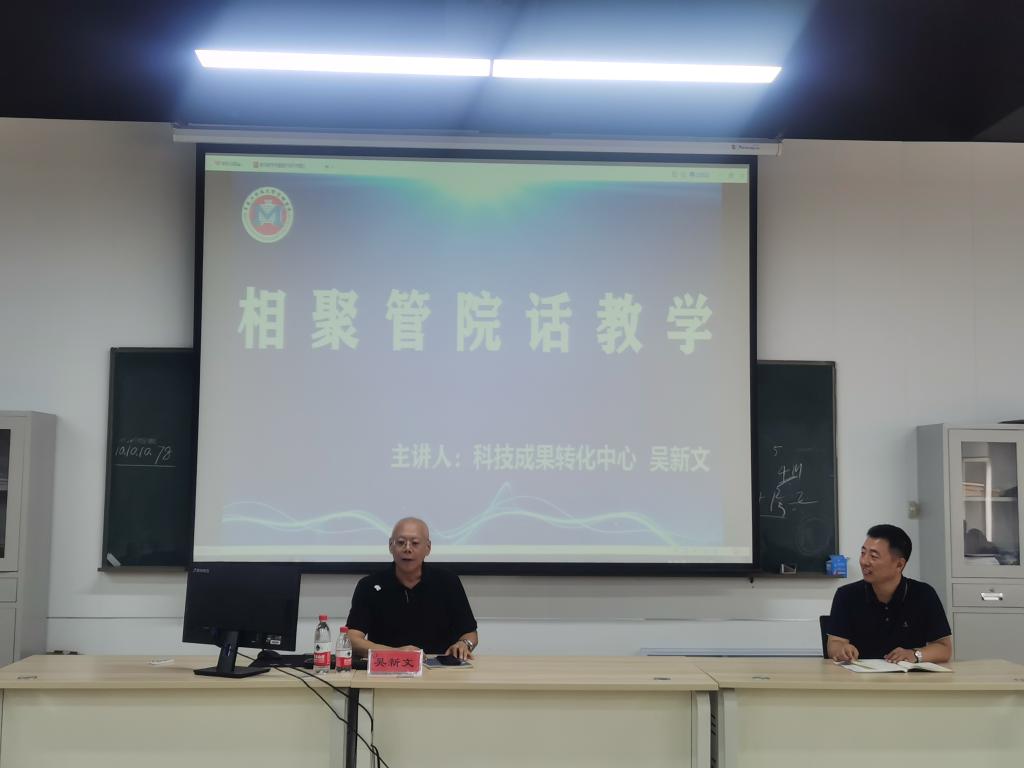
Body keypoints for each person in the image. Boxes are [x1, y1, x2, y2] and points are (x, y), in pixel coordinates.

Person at [346, 517, 479, 659]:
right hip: (388, 666)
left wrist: (464, 644)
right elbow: (352, 639)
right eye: (401, 542)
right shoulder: (369, 585)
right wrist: (396, 653)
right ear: (390, 546)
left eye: (415, 543)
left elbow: (470, 633)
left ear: (428, 548)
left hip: (439, 667)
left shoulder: (448, 582)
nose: (407, 549)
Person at [826, 524, 952, 663]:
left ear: (899, 564)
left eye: (873, 556)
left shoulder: (923, 594)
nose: (864, 561)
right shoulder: (846, 595)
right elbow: (835, 642)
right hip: (860, 675)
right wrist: (842, 649)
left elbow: (944, 648)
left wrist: (915, 654)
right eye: (863, 553)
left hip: (908, 675)